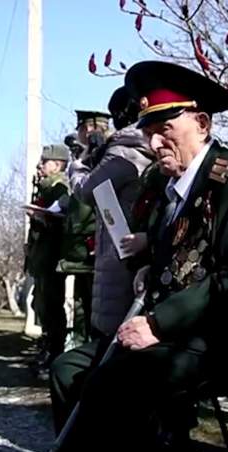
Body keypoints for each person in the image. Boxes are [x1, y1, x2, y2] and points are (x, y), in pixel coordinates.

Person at [49, 60, 228, 452]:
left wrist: (159, 322)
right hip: (175, 330)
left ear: (202, 123)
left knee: (118, 379)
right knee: (67, 369)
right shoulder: (173, 188)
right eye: (148, 130)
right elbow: (179, 258)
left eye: (166, 127)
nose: (154, 141)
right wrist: (151, 267)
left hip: (222, 336)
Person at [73, 86, 155, 343]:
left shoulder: (123, 151)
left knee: (113, 329)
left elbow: (86, 190)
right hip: (139, 245)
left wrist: (78, 164)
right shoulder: (145, 146)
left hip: (120, 250)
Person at [57, 110, 111, 349]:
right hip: (81, 249)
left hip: (96, 246)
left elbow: (100, 200)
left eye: (82, 130)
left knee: (96, 309)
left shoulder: (106, 158)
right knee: (81, 305)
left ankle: (91, 355)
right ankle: (79, 354)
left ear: (91, 130)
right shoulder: (86, 157)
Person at [24, 145, 71, 372]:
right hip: (42, 256)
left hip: (52, 256)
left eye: (44, 162)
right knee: (41, 303)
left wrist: (40, 217)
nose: (40, 166)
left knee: (52, 305)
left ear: (57, 164)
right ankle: (47, 346)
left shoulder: (60, 187)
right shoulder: (46, 187)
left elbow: (62, 221)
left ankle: (55, 351)